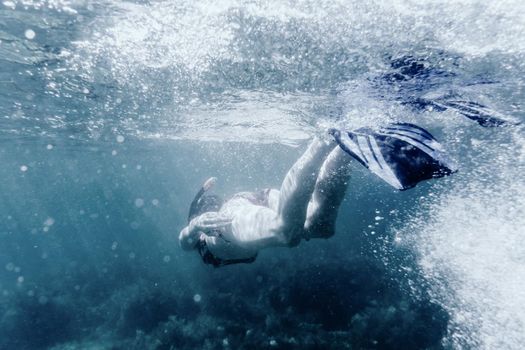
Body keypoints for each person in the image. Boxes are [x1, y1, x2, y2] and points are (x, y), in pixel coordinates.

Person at [179, 124, 456, 267]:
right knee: (319, 227)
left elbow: (184, 240)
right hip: (253, 200)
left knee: (285, 233)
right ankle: (343, 148)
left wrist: (195, 225)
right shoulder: (212, 230)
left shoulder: (208, 237)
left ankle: (324, 139)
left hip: (234, 216)